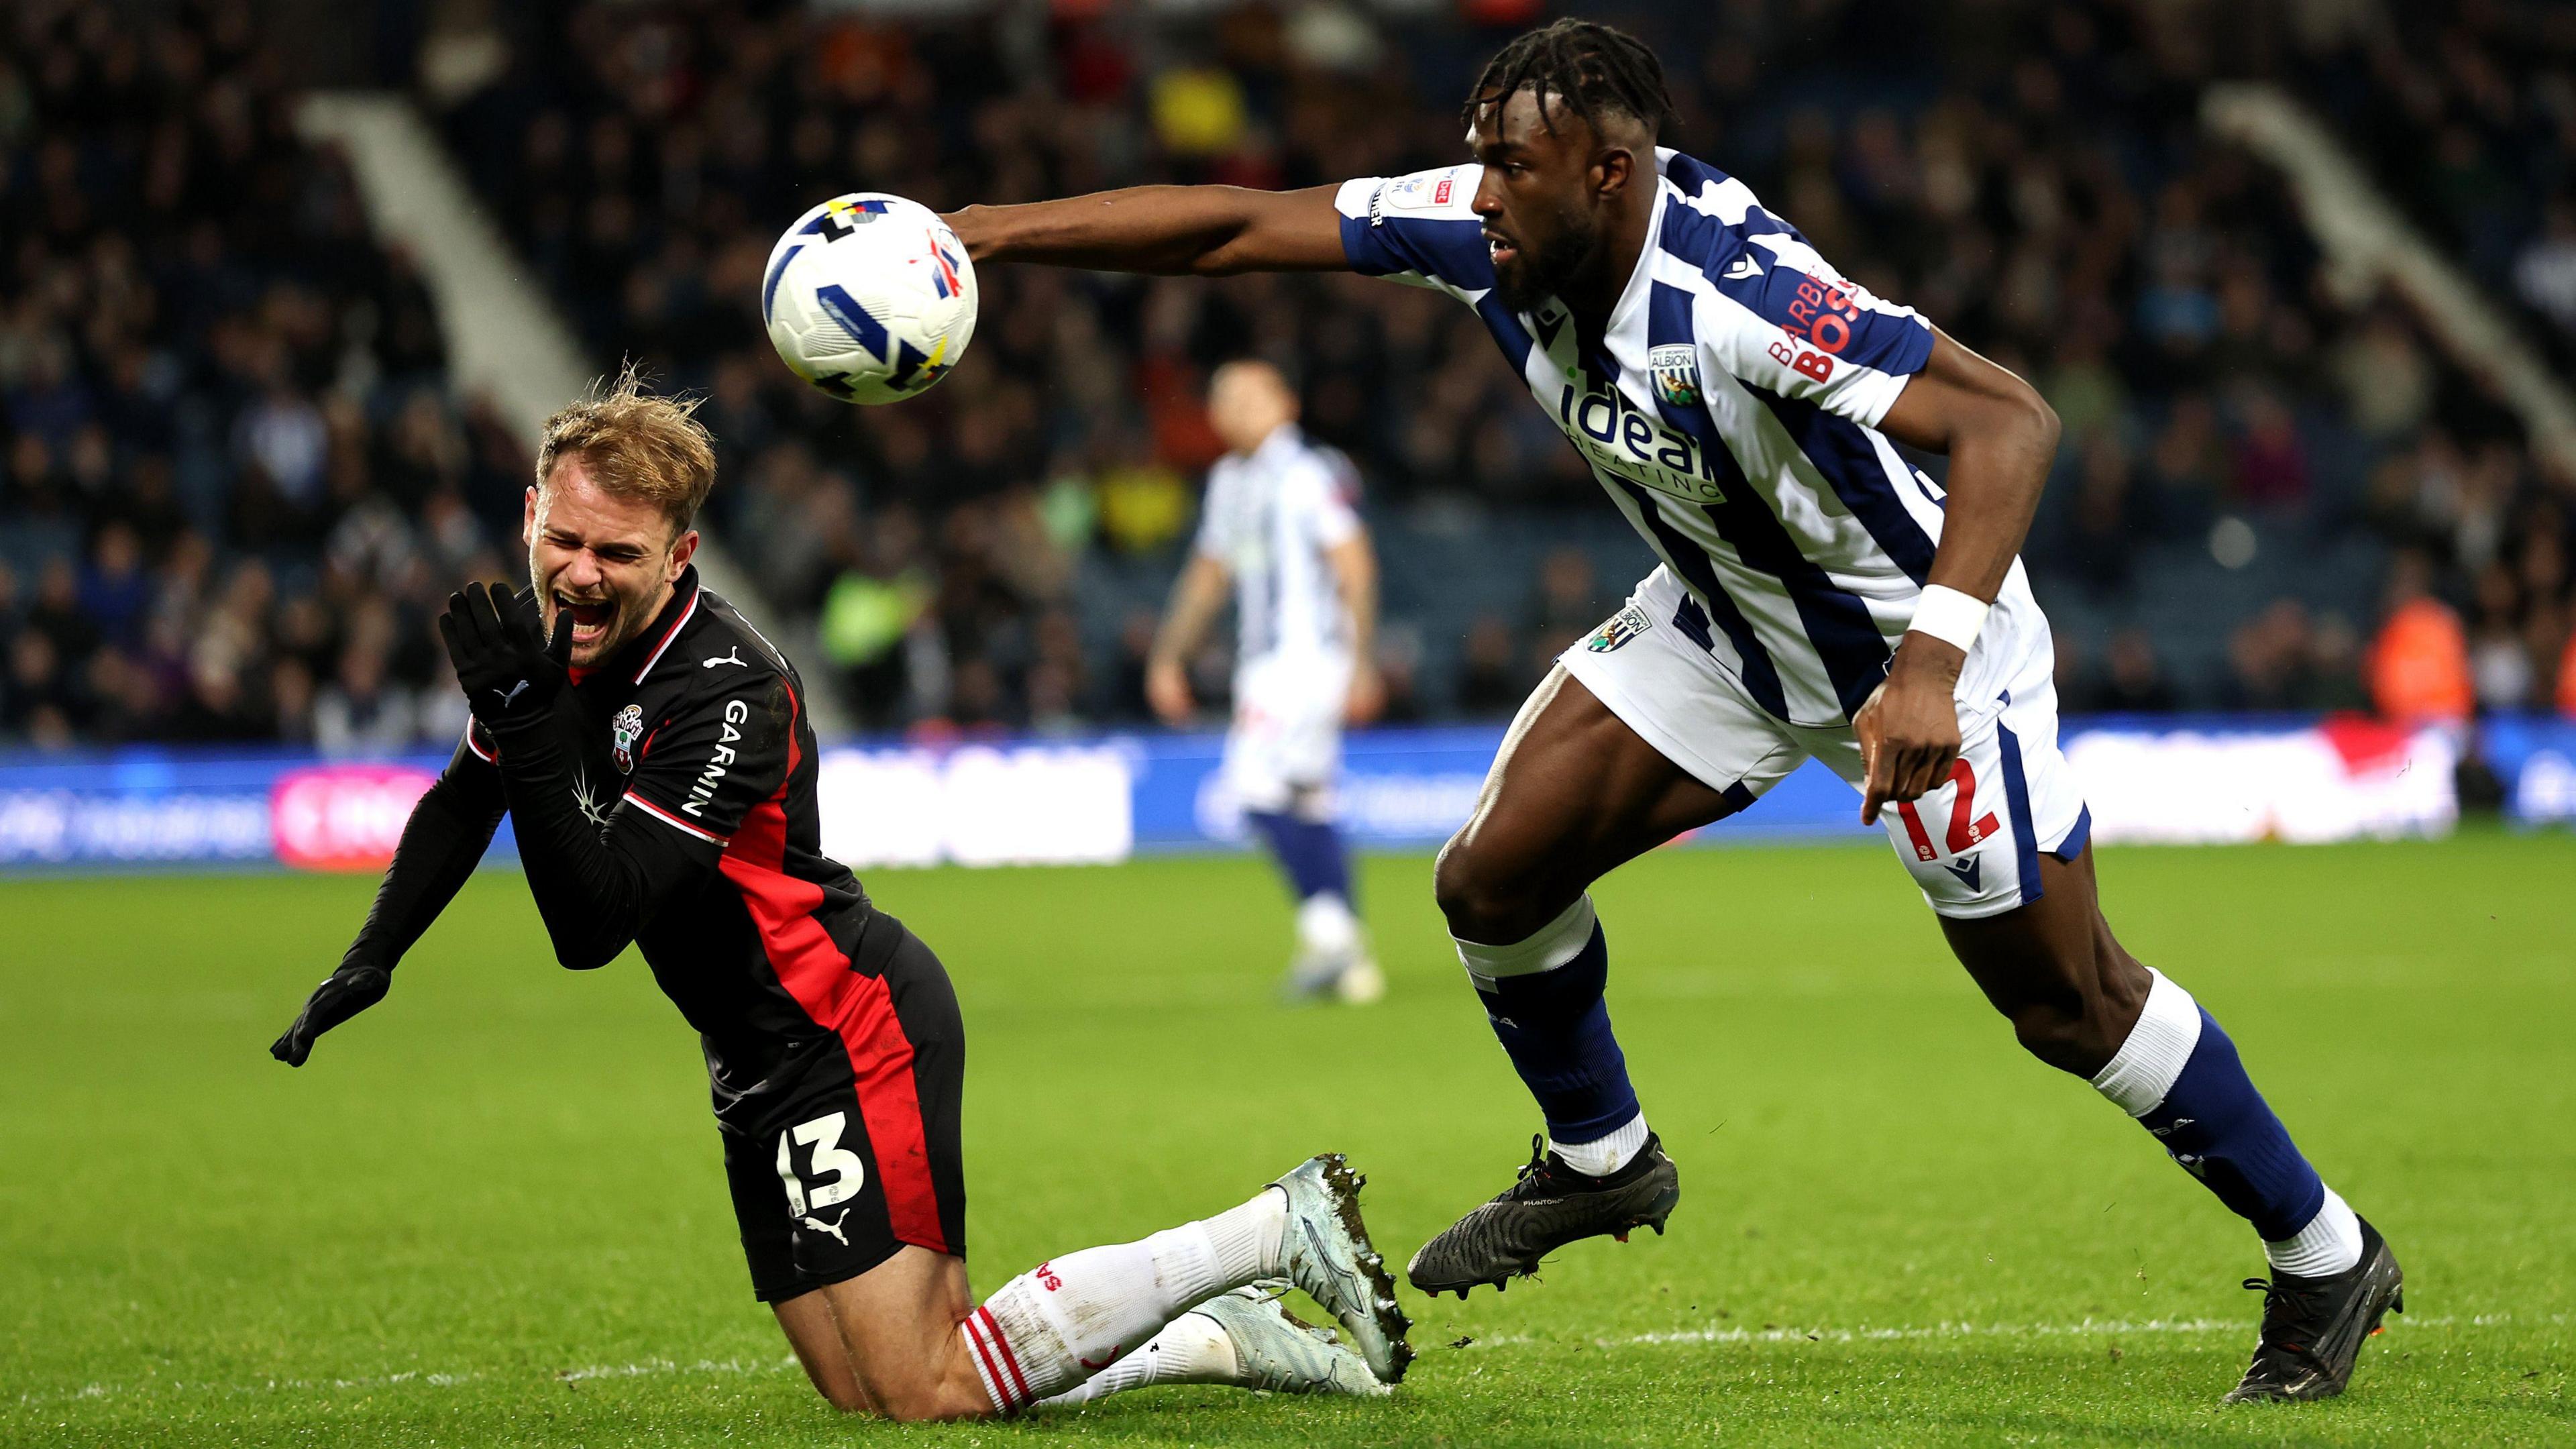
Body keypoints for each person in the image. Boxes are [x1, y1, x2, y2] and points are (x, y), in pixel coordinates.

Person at [940, 17, 2400, 1405]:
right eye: (1481, 158)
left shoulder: (1739, 297)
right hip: (1721, 626)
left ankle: (2326, 1253)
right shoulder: (1482, 228)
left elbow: (2011, 420)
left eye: (1514, 167)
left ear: (1610, 174)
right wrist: (984, 234)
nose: (1481, 193)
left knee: (2066, 1003)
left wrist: (1931, 667)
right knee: (1492, 881)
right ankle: (1603, 1157)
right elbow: (1237, 229)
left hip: (1916, 650)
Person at [268, 374, 1409, 1419]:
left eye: (618, 553)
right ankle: (1215, 1339)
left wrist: (527, 730)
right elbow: (463, 801)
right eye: (563, 541)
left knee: (926, 1384)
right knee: (866, 1394)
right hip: (748, 1054)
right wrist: (374, 952)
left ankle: (1270, 1229)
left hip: (845, 1027)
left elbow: (592, 925)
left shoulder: (726, 692)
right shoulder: (557, 651)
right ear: (529, 517)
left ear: (680, 553)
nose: (581, 574)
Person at [1149, 360, 1387, 1002]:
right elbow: (1209, 575)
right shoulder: (1230, 480)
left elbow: (1355, 565)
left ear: (1286, 403)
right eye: (1224, 398)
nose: (1235, 409)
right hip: (1261, 665)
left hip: (1306, 660)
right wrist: (1169, 656)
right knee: (1307, 801)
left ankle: (1331, 936)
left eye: (1250, 396)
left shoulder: (1312, 472)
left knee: (1253, 788)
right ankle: (1347, 957)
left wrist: (1362, 662)